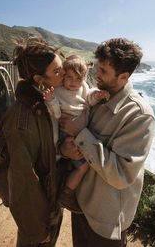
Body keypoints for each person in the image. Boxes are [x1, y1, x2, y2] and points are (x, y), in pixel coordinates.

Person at [59, 38, 155, 247]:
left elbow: (121, 174)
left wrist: (81, 133)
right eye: (97, 67)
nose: (95, 74)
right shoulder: (97, 97)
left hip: (105, 221)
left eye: (103, 71)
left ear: (123, 77)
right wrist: (65, 150)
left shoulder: (139, 116)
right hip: (81, 205)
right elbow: (74, 139)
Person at [0, 37, 68, 247]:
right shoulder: (23, 119)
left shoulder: (44, 101)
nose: (64, 74)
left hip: (50, 197)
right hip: (38, 209)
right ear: (39, 79)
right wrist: (35, 229)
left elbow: (47, 147)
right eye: (56, 72)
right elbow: (22, 178)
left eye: (61, 67)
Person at [43, 55, 109, 212]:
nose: (73, 82)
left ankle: (70, 191)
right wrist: (51, 100)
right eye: (70, 78)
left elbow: (89, 99)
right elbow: (57, 114)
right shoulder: (58, 91)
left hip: (82, 132)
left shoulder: (84, 87)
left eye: (78, 79)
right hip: (68, 133)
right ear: (64, 75)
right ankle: (66, 193)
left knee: (82, 164)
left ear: (84, 78)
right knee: (83, 166)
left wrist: (98, 95)